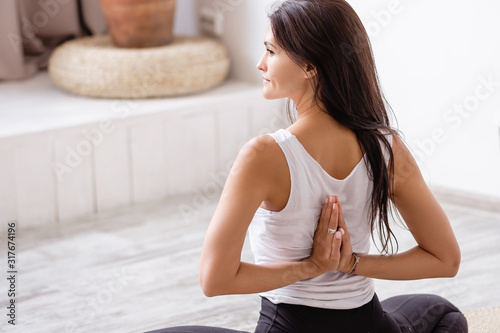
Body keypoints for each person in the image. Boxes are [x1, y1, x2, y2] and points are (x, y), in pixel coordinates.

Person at [147, 0, 468, 332]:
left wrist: (312, 267)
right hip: (368, 325)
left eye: (271, 52)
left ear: (310, 67)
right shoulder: (386, 148)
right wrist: (351, 263)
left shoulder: (262, 155)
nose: (260, 64)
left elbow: (214, 279)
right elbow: (446, 259)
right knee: (442, 313)